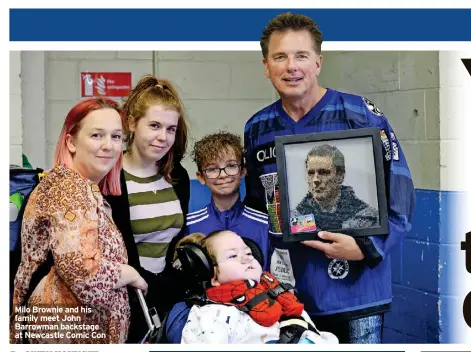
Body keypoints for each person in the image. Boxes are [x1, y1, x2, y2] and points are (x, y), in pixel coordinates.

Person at [243, 12, 416, 343]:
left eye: (301, 56)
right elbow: (257, 209)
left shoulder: (359, 115)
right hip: (289, 298)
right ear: (266, 66)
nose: (291, 66)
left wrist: (367, 248)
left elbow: (401, 193)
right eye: (280, 56)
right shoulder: (257, 128)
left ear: (318, 63)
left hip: (357, 293)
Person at [10, 98, 147, 344]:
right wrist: (131, 274)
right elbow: (85, 275)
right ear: (71, 142)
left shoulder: (81, 188)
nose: (109, 146)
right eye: (97, 135)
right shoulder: (69, 189)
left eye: (116, 137)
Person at [105, 75, 190, 342]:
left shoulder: (177, 175)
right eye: (154, 125)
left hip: (167, 296)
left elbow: (177, 241)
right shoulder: (110, 177)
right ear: (131, 123)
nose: (163, 137)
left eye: (170, 129)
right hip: (126, 299)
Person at [170, 230, 338, 344]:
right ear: (212, 275)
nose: (246, 258)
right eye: (233, 256)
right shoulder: (211, 315)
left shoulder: (280, 297)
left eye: (249, 253)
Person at [185, 131, 270, 269]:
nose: (223, 175)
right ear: (201, 177)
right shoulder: (190, 225)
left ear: (243, 171)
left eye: (231, 166)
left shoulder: (264, 224)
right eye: (212, 168)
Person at [293, 144, 378, 230]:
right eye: (310, 173)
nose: (315, 180)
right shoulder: (298, 217)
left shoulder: (366, 216)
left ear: (340, 176)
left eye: (323, 172)